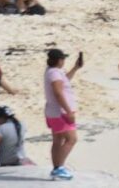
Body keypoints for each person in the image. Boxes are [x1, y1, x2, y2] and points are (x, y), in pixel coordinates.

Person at [44, 48, 82, 181]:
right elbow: (58, 93)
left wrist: (76, 68)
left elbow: (65, 80)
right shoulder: (54, 73)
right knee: (72, 139)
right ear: (59, 60)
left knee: (58, 140)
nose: (64, 60)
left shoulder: (52, 71)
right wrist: (68, 111)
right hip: (60, 112)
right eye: (63, 58)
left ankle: (57, 168)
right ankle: (59, 168)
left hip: (53, 111)